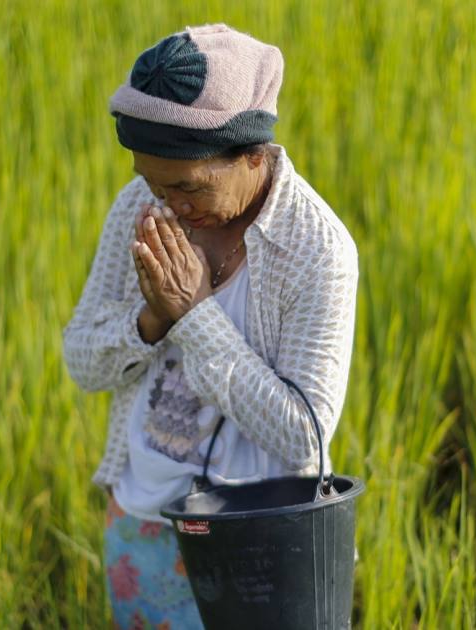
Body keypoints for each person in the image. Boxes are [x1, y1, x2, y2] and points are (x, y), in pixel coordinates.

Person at [61, 22, 359, 629]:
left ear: (253, 155)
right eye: (150, 180)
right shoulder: (138, 210)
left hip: (261, 545)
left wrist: (194, 316)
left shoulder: (316, 249)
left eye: (187, 185)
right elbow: (81, 361)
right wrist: (151, 319)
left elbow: (304, 434)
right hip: (144, 519)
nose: (168, 203)